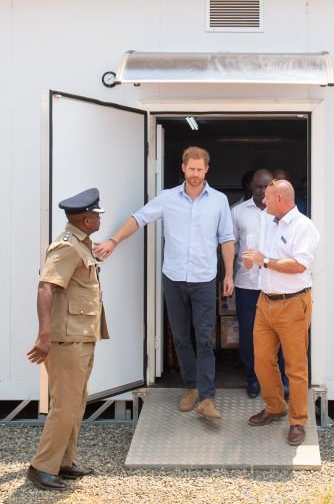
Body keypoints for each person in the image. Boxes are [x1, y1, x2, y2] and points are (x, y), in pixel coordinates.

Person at [94, 146, 234, 420]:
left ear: (207, 169)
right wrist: (113, 241)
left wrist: (229, 274)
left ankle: (207, 397)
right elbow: (138, 218)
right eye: (191, 169)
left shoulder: (219, 200)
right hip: (174, 278)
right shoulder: (168, 198)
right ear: (183, 168)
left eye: (200, 169)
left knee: (204, 339)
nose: (195, 174)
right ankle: (190, 388)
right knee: (181, 337)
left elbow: (227, 238)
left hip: (205, 279)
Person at [26, 188, 109, 491]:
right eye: (97, 215)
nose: (100, 218)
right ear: (86, 220)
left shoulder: (81, 245)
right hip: (66, 339)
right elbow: (46, 287)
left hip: (81, 336)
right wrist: (44, 334)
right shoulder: (66, 247)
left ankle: (63, 462)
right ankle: (41, 467)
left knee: (76, 402)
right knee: (64, 404)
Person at [240, 179, 319, 446]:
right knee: (262, 360)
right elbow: (262, 255)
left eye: (268, 198)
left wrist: (264, 260)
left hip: (293, 303)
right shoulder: (267, 220)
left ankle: (298, 421)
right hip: (266, 302)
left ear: (282, 200)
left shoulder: (303, 227)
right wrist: (253, 261)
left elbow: (299, 265)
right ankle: (275, 407)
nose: (263, 201)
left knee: (295, 367)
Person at [231, 169, 289, 398]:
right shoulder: (237, 213)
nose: (262, 191)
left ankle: (281, 379)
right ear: (250, 187)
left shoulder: (283, 213)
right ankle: (254, 378)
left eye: (267, 187)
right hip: (248, 285)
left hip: (277, 284)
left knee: (280, 334)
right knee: (249, 335)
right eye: (258, 187)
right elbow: (230, 246)